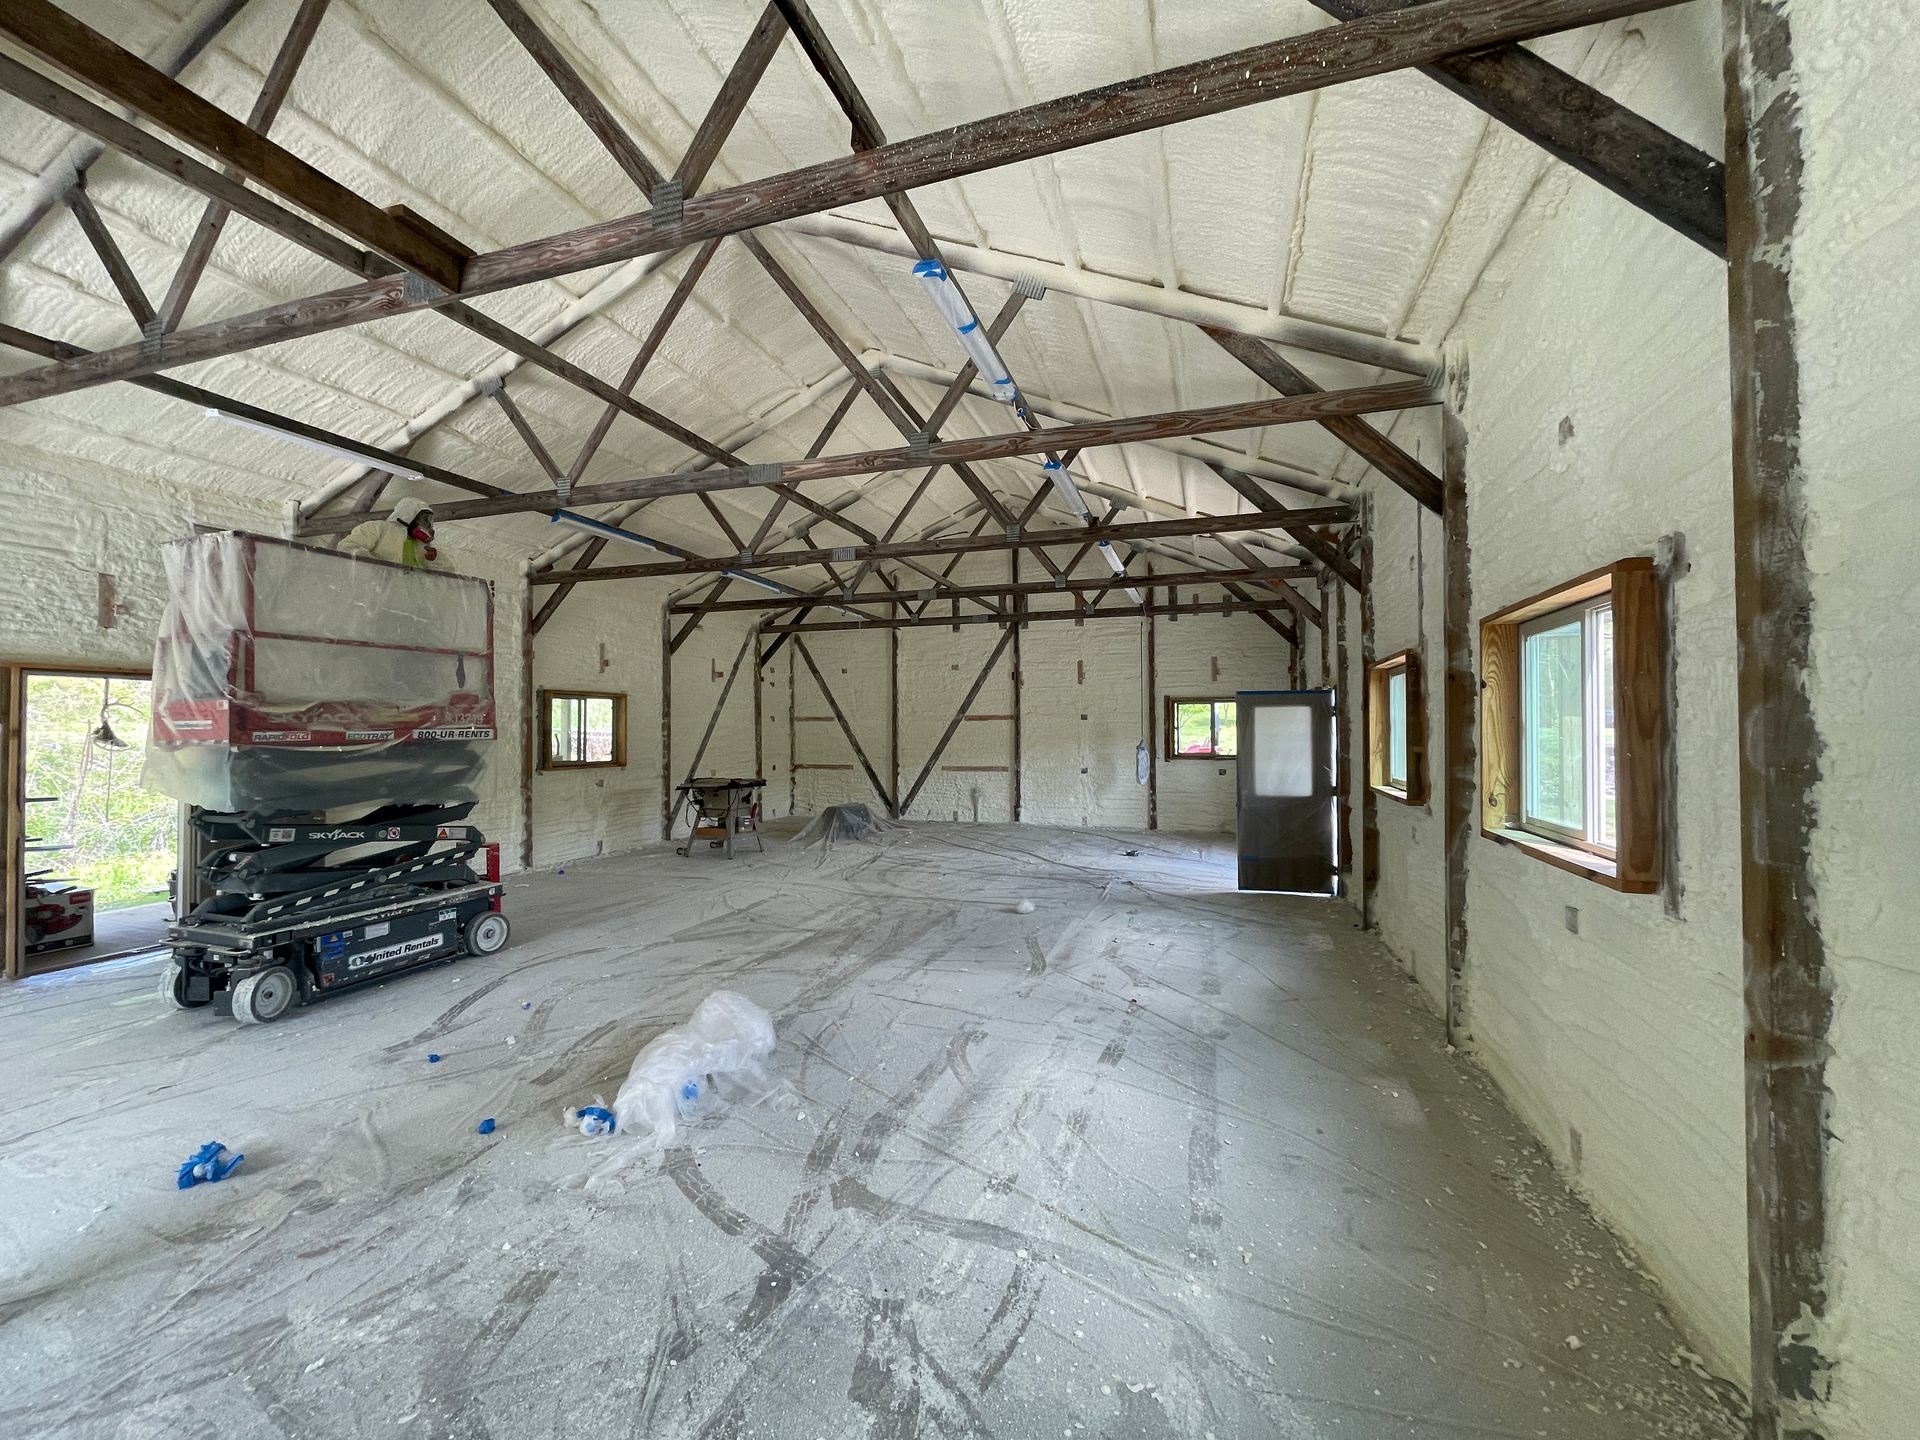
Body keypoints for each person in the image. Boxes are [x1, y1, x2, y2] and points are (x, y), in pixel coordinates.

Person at [338, 496, 439, 568]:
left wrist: (435, 559)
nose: (427, 525)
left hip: (407, 594)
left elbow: (443, 574)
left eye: (428, 520)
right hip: (377, 590)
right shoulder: (378, 527)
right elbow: (347, 547)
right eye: (424, 519)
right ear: (408, 514)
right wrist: (377, 567)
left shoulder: (422, 545)